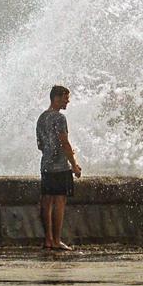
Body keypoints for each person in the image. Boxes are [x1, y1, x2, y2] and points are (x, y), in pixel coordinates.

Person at [36, 85, 82, 250]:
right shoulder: (59, 118)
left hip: (46, 166)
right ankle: (56, 240)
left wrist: (51, 152)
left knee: (46, 202)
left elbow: (40, 145)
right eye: (65, 98)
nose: (67, 101)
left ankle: (48, 240)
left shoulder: (41, 118)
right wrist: (74, 165)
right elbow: (64, 142)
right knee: (60, 202)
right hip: (61, 167)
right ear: (56, 98)